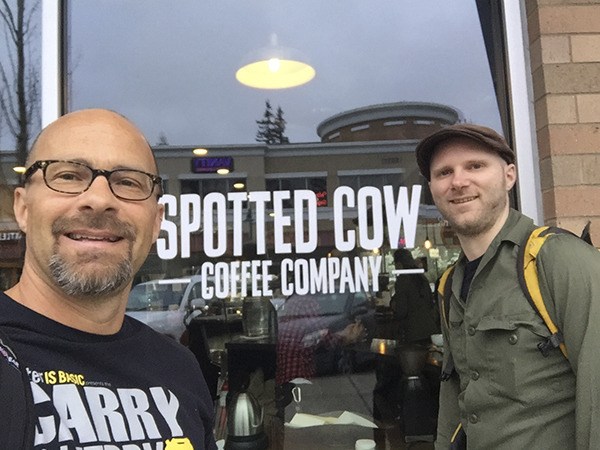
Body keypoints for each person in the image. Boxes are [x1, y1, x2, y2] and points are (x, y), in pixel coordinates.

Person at [0, 109, 218, 449]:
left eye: (128, 182)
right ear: (23, 208)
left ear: (156, 221)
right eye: (69, 176)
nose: (100, 200)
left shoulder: (180, 369)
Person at [415, 123, 600, 449]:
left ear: (509, 176)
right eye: (444, 172)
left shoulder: (559, 260)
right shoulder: (448, 286)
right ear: (433, 188)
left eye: (475, 166)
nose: (458, 181)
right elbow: (454, 397)